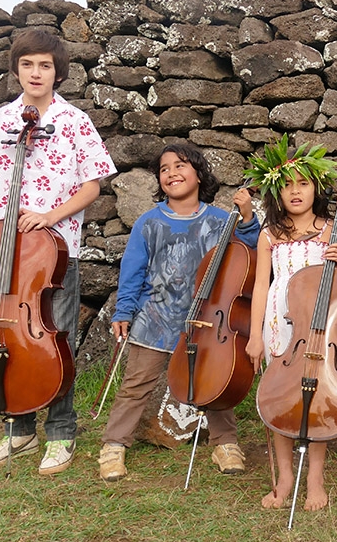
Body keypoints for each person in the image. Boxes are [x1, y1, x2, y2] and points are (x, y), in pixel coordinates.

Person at [0, 29, 116, 475]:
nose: (36, 72)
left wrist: (50, 216)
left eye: (45, 65)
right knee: (10, 337)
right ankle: (19, 427)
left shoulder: (74, 121)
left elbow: (92, 185)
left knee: (58, 338)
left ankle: (61, 430)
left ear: (58, 72)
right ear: (16, 70)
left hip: (55, 251)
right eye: (28, 64)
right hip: (7, 252)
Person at [98, 143, 259, 482]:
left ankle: (225, 443)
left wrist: (246, 219)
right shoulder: (149, 222)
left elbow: (251, 252)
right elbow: (133, 271)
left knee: (214, 381)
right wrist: (123, 311)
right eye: (164, 169)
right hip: (155, 317)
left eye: (180, 165)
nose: (171, 173)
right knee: (136, 384)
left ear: (199, 174)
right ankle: (114, 444)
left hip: (207, 321)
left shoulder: (221, 220)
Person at [244, 134, 337, 511]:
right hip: (280, 322)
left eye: (303, 183)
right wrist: (255, 336)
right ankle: (285, 477)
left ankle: (315, 478)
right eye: (287, 185)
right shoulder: (269, 235)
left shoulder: (330, 229)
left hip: (318, 327)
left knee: (317, 396)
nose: (295, 192)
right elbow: (262, 285)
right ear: (276, 193)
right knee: (281, 397)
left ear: (316, 189)